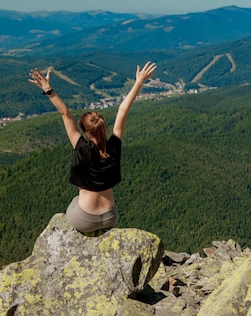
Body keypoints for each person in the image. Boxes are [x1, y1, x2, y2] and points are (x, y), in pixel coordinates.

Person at [28, 61, 157, 235]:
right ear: (103, 128)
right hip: (110, 216)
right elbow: (122, 111)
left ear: (85, 132)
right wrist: (138, 82)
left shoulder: (81, 146)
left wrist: (48, 89)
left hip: (84, 219)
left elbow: (65, 113)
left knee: (75, 201)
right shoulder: (114, 146)